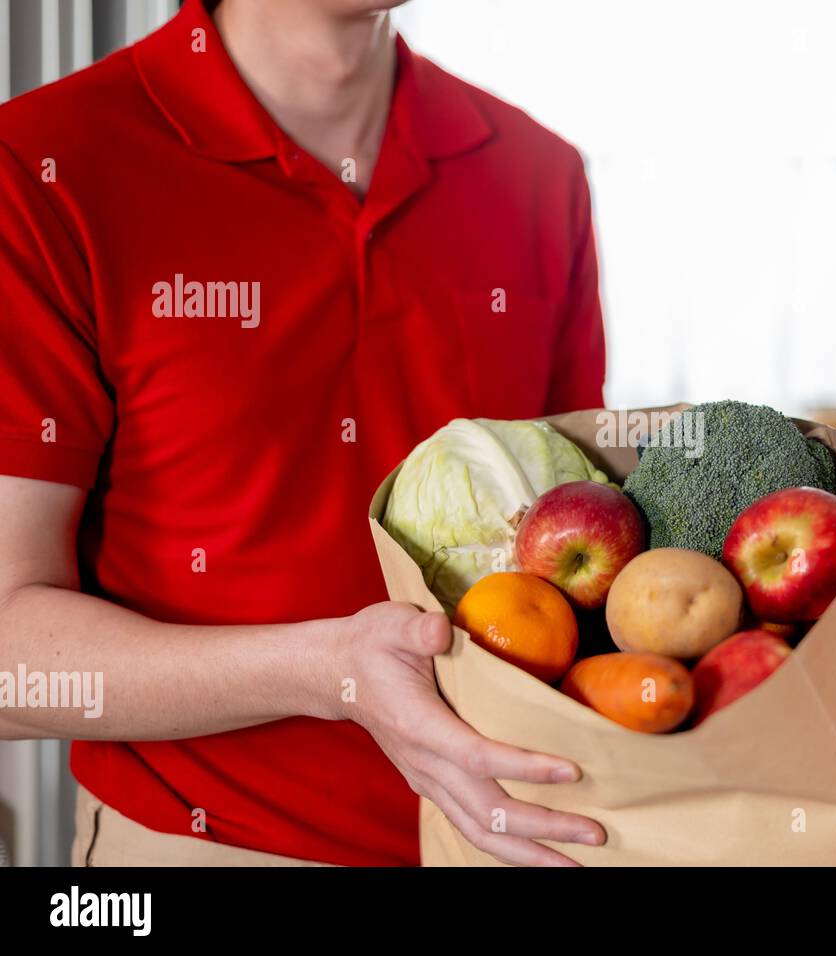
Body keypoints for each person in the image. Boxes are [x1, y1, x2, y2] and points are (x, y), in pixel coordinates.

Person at [0, 0, 607, 866]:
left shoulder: (538, 172)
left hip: (521, 839)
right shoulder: (40, 165)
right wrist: (331, 669)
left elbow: (582, 558)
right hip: (211, 848)